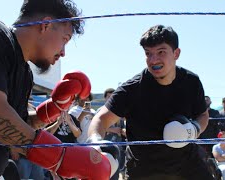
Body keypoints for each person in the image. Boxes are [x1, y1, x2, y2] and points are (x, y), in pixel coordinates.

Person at [0, 0, 116, 179]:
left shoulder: (25, 73)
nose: (63, 52)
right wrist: (62, 157)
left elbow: (17, 126)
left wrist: (50, 111)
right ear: (46, 25)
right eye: (65, 39)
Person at [88, 25, 213, 179]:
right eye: (148, 53)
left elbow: (202, 114)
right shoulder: (132, 89)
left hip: (187, 166)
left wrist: (194, 129)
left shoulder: (191, 81)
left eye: (161, 52)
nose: (154, 60)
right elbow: (100, 119)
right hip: (144, 170)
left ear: (176, 53)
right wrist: (96, 143)